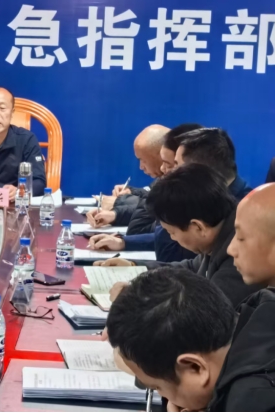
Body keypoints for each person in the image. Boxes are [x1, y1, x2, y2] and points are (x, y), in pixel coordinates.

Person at [106, 267, 275, 412]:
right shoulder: (259, 312)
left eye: (157, 387)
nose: (162, 395)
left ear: (195, 367)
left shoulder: (254, 400)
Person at [93, 164, 261, 308]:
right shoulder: (220, 231)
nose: (172, 238)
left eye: (171, 232)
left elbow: (207, 311)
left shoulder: (239, 254)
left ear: (197, 227)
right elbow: (190, 269)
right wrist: (135, 267)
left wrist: (139, 297)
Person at [89, 128, 252, 263]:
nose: (165, 170)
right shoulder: (215, 201)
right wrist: (125, 243)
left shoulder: (243, 218)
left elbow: (171, 253)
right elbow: (188, 261)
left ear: (200, 170)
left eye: (175, 165)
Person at [90, 125, 168, 228]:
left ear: (160, 154)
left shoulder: (181, 180)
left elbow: (155, 207)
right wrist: (131, 192)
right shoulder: (163, 178)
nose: (141, 167)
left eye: (142, 159)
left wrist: (118, 203)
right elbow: (150, 195)